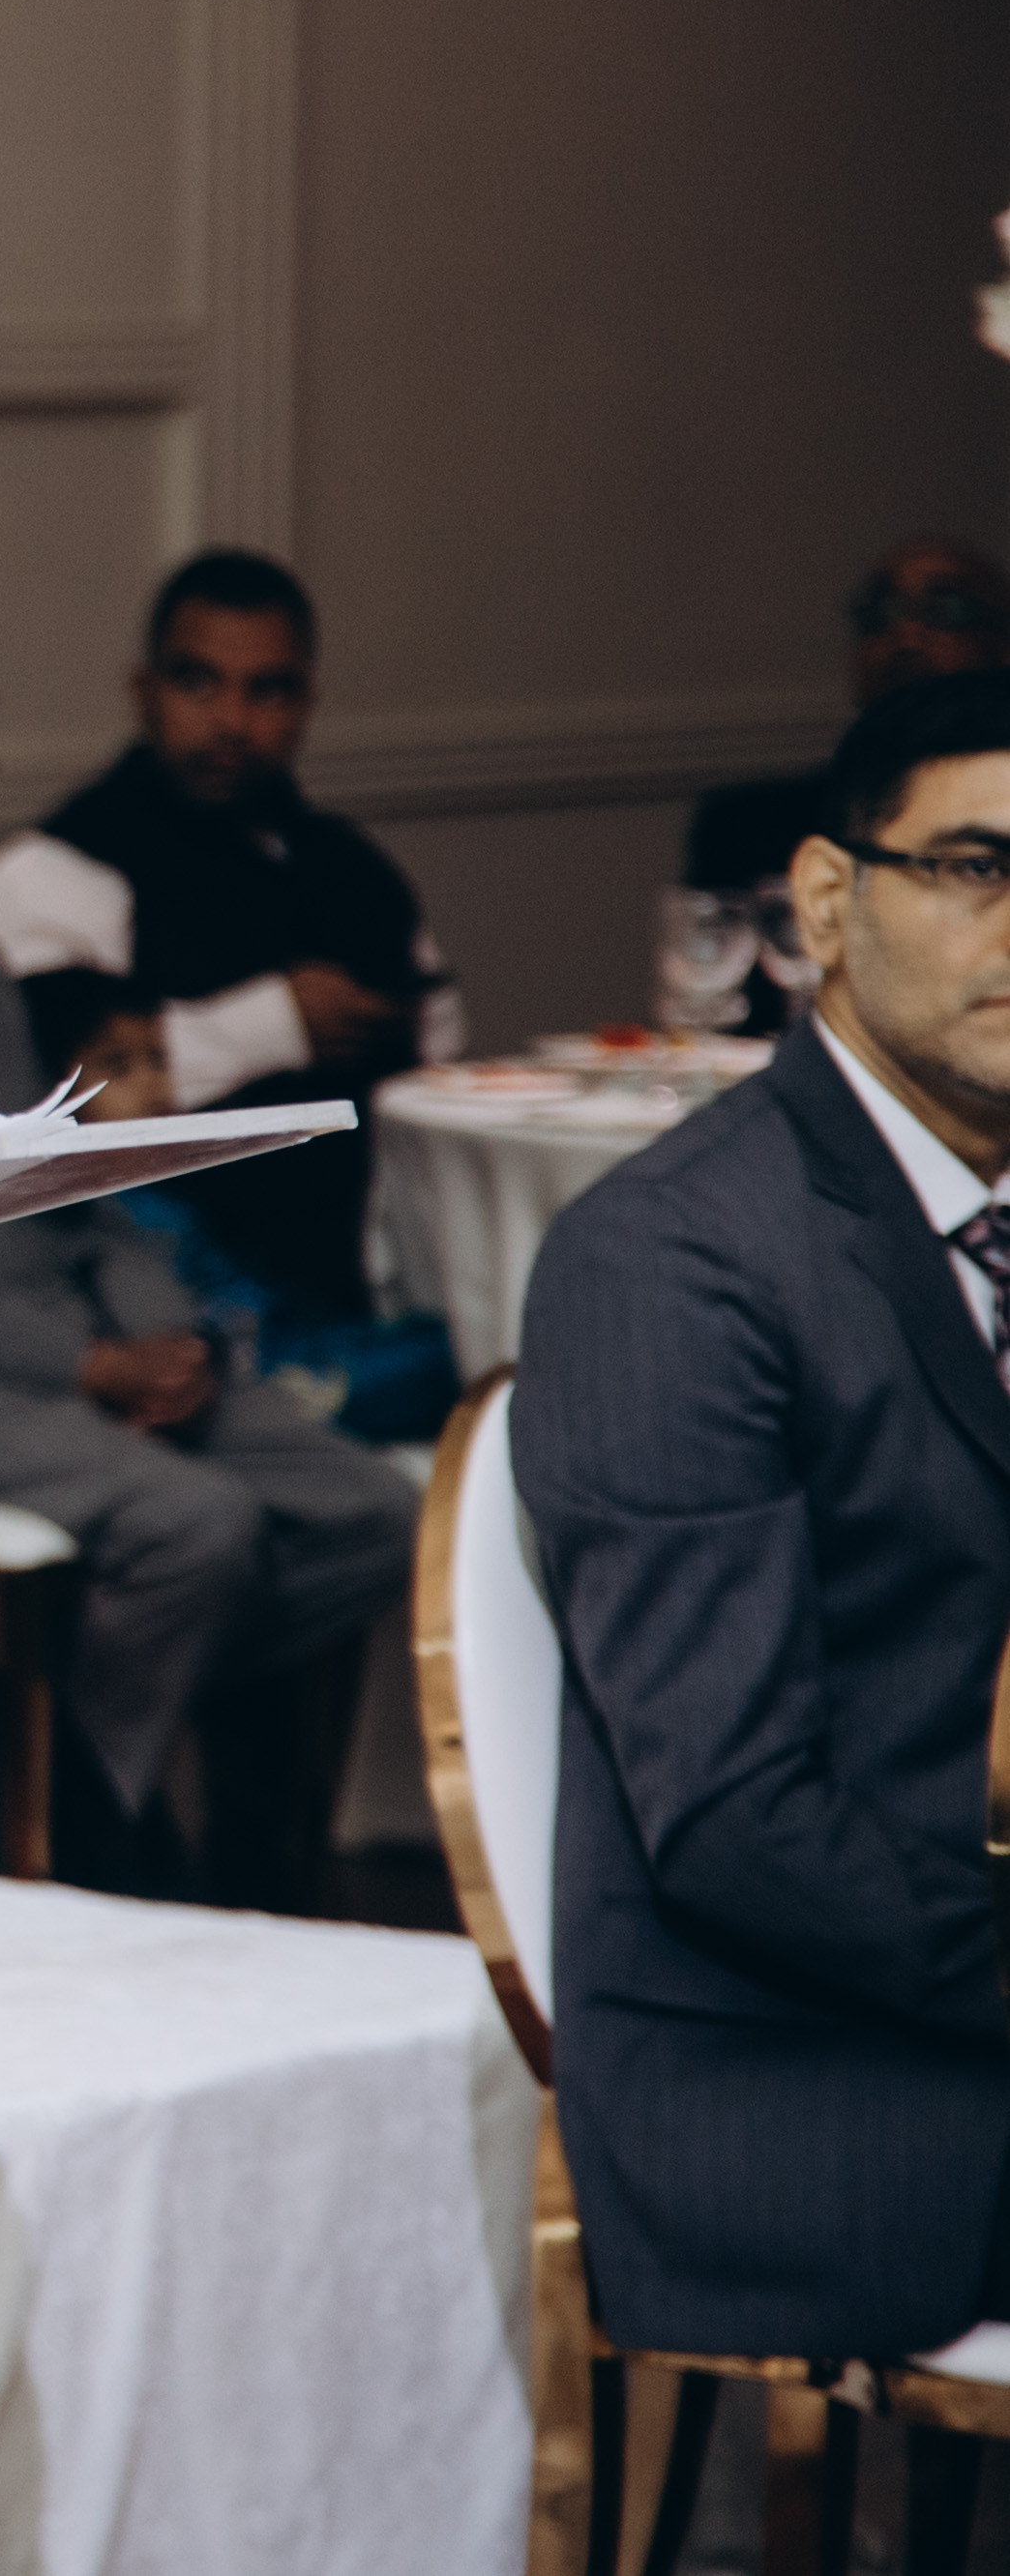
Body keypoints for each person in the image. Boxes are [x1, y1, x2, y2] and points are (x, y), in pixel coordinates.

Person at [522, 667, 1010, 2369]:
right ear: (822, 898)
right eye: (975, 866)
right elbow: (737, 1823)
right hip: (811, 2076)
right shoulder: (670, 1258)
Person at [0, 613, 410, 1903]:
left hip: (84, 1339)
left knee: (373, 1510)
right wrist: (84, 1364)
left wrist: (173, 1339)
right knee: (199, 1526)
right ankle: (87, 1822)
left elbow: (74, 1188)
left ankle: (54, 1739)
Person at [0, 548, 459, 1333]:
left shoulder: (354, 870)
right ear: (143, 690)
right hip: (141, 1321)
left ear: (304, 703)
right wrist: (281, 1022)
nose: (231, 721)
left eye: (266, 689)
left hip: (355, 1304)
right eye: (197, 682)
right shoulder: (54, 869)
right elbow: (58, 1104)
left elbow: (435, 1076)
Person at [677, 537, 1010, 1032]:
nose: (906, 635)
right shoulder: (750, 826)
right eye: (881, 613)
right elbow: (720, 1013)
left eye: (946, 609)